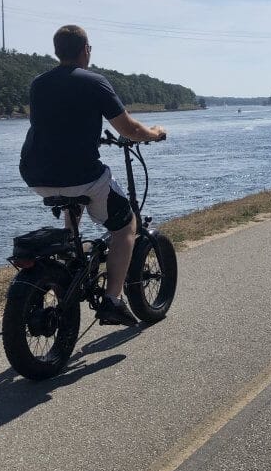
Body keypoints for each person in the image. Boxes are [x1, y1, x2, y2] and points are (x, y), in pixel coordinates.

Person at [19, 25, 167, 327]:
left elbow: (52, 124)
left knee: (74, 198)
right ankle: (113, 300)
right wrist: (153, 134)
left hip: (36, 174)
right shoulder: (94, 82)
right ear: (85, 49)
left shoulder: (39, 83)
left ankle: (73, 259)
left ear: (57, 51)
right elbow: (128, 129)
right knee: (125, 225)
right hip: (80, 175)